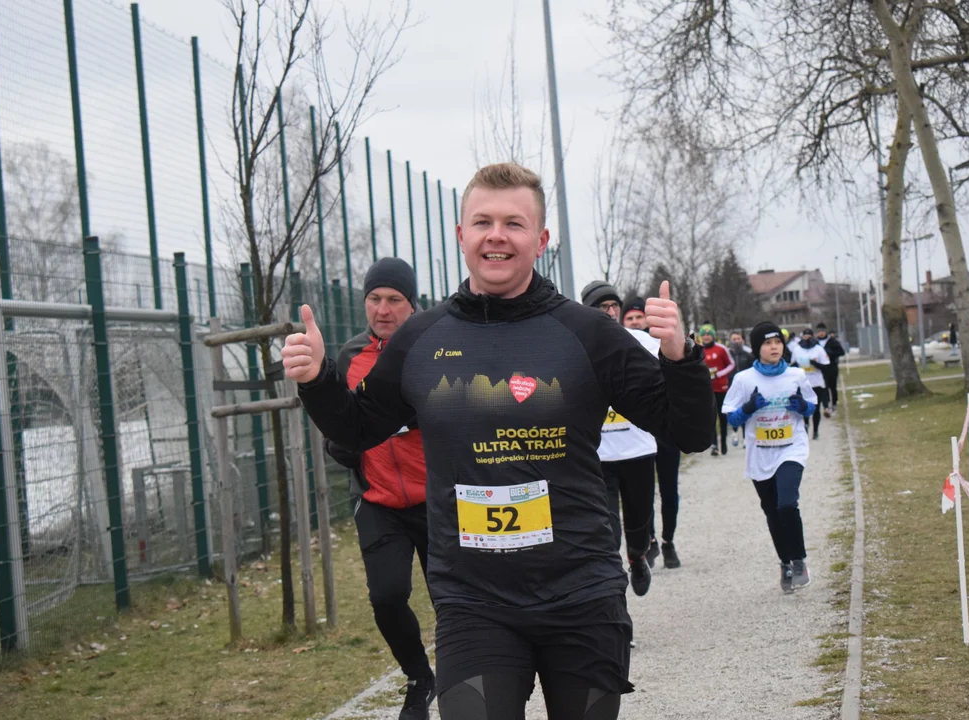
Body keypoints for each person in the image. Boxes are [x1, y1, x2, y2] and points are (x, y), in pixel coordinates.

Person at [283, 162, 715, 719]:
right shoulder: (421, 337)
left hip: (580, 593)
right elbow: (357, 430)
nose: (496, 235)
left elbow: (691, 432)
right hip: (472, 601)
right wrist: (318, 380)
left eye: (514, 223)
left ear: (540, 239)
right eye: (482, 221)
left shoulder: (589, 334)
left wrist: (682, 360)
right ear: (461, 235)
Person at [322, 257, 436, 719]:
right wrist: (348, 447)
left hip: (438, 498)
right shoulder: (349, 356)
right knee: (386, 597)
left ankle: (470, 675)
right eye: (374, 299)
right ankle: (419, 678)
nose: (383, 309)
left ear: (412, 305)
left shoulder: (434, 348)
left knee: (455, 597)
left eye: (394, 300)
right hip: (378, 499)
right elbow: (339, 422)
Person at [723, 322, 817, 593]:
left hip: (792, 448)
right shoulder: (744, 379)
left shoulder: (796, 375)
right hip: (760, 454)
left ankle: (799, 561)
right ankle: (785, 563)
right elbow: (731, 415)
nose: (774, 347)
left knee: (787, 504)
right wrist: (749, 408)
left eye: (777, 342)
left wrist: (802, 406)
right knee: (773, 512)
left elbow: (810, 407)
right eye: (767, 343)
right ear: (757, 348)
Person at [581, 281, 662, 593]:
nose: (612, 312)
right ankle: (615, 597)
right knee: (607, 532)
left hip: (638, 449)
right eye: (603, 307)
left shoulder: (643, 342)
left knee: (639, 522)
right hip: (597, 455)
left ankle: (638, 556)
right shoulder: (576, 345)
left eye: (615, 306)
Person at [617, 296, 683, 568]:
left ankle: (668, 541)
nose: (635, 322)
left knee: (668, 490)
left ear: (647, 319)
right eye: (629, 318)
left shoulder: (662, 345)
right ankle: (650, 540)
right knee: (643, 492)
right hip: (639, 432)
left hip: (664, 430)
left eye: (638, 317)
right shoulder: (621, 349)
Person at [699, 323, 735, 455]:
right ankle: (713, 444)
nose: (706, 337)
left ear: (713, 336)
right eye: (704, 335)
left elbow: (731, 364)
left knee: (722, 416)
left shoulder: (721, 349)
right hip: (706, 389)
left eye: (709, 335)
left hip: (721, 387)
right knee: (710, 418)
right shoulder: (699, 350)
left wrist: (719, 373)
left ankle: (723, 443)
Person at [788, 327, 829, 439]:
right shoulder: (797, 349)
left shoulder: (818, 349)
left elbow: (826, 366)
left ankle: (815, 430)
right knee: (803, 406)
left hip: (817, 383)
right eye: (805, 336)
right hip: (802, 383)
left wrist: (815, 364)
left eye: (809, 336)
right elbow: (793, 364)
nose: (807, 339)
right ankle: (805, 425)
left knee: (815, 408)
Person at [726, 332, 753, 447]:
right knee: (733, 410)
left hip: (744, 387)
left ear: (742, 340)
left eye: (738, 338)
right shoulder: (727, 354)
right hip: (730, 386)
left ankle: (745, 437)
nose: (736, 341)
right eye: (734, 339)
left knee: (744, 410)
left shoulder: (748, 355)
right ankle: (735, 431)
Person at [815, 323, 845, 411]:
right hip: (821, 368)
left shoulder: (832, 341)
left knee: (833, 386)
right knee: (824, 387)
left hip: (832, 367)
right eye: (819, 331)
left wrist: (831, 353)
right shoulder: (815, 342)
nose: (821, 333)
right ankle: (826, 404)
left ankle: (834, 402)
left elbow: (841, 352)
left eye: (823, 331)